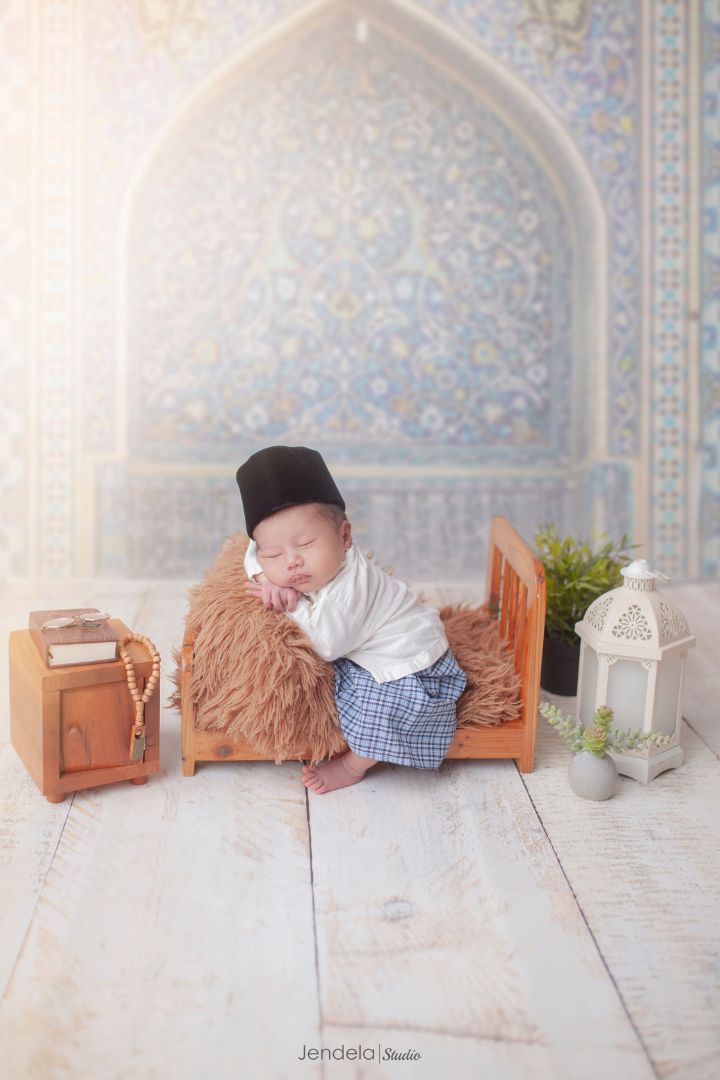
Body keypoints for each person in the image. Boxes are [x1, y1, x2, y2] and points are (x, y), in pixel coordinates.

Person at [236, 445, 467, 794]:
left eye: (306, 544)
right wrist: (264, 579)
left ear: (344, 537)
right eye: (274, 554)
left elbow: (326, 646)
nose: (291, 561)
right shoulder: (279, 558)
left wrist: (291, 603)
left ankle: (354, 765)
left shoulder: (349, 588)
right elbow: (251, 552)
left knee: (384, 711)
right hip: (366, 639)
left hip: (409, 662)